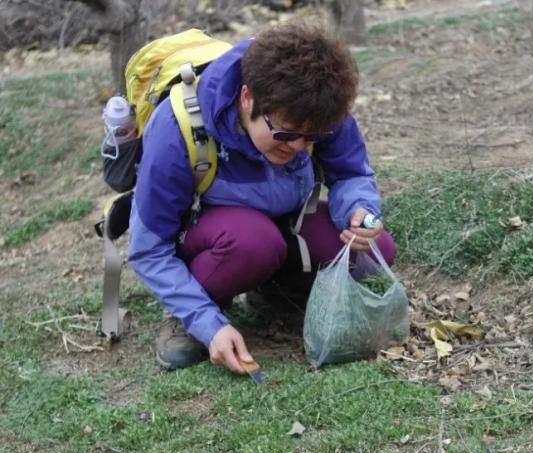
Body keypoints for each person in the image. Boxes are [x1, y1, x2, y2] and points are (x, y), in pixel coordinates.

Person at [128, 22, 397, 374]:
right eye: (286, 133)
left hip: (287, 214)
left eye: (312, 136)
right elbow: (149, 249)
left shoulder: (318, 105)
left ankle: (275, 292)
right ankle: (193, 308)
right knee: (252, 242)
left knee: (377, 253)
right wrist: (208, 325)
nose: (299, 146)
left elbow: (350, 172)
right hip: (214, 232)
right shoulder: (175, 130)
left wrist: (359, 210)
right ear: (246, 98)